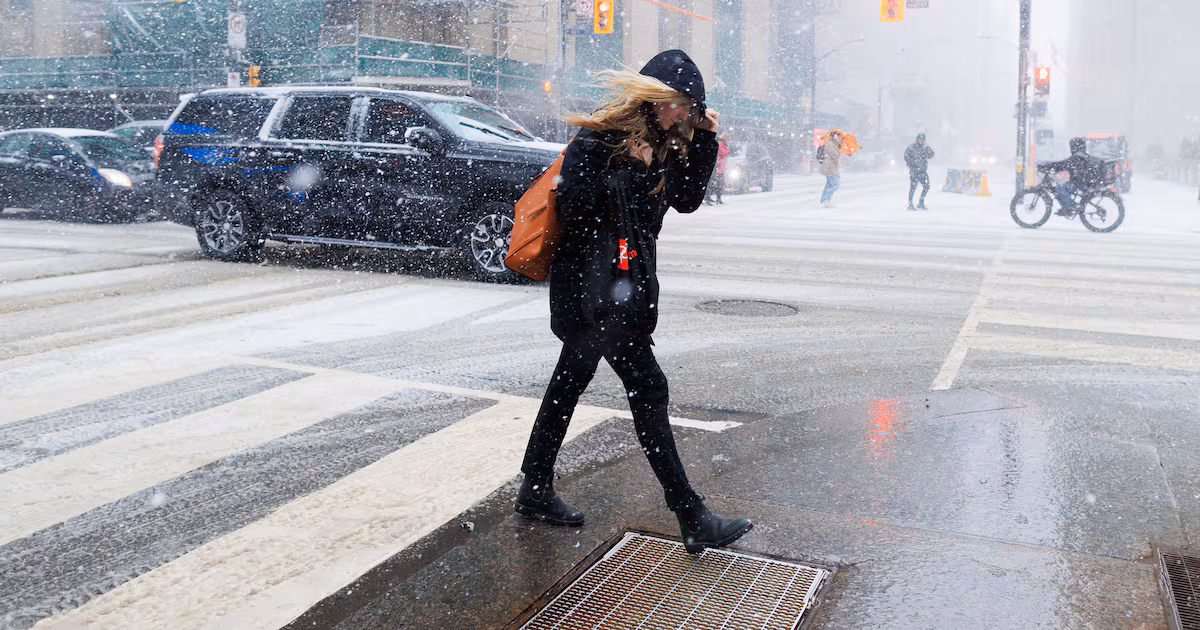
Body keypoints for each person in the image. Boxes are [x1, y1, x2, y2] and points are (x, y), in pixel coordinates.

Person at [516, 49, 753, 554]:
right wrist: (628, 171)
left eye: (693, 108)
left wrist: (704, 140)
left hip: (620, 286)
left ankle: (534, 487)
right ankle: (690, 514)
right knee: (648, 386)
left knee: (569, 381)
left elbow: (687, 200)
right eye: (683, 105)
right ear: (658, 99)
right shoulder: (601, 137)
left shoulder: (666, 145)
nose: (686, 114)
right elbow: (574, 204)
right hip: (593, 290)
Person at [1040, 137, 1104, 214]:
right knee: (1061, 184)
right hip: (1083, 182)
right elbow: (1064, 164)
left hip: (1080, 183)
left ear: (1075, 147)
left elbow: (1063, 165)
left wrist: (1048, 166)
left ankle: (1071, 207)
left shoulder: (1078, 157)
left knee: (1060, 188)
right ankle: (1069, 206)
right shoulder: (1082, 156)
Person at [904, 133, 935, 210]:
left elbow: (931, 155)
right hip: (914, 171)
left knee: (926, 186)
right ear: (917, 139)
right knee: (913, 187)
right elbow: (906, 156)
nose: (922, 141)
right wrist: (912, 165)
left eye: (923, 140)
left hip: (923, 171)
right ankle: (910, 204)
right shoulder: (911, 147)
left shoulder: (925, 148)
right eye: (920, 140)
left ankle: (921, 202)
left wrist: (928, 149)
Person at [705, 132, 730, 205]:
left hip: (721, 168)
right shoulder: (721, 144)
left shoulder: (724, 144)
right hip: (717, 167)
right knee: (713, 183)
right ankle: (707, 198)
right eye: (726, 138)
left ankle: (717, 198)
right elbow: (722, 152)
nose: (727, 139)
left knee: (720, 184)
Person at [819, 131, 842, 207]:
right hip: (830, 167)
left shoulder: (834, 144)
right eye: (838, 136)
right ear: (835, 137)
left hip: (831, 167)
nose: (839, 138)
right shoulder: (831, 144)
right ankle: (825, 199)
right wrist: (839, 149)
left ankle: (825, 200)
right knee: (835, 185)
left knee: (829, 185)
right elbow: (835, 155)